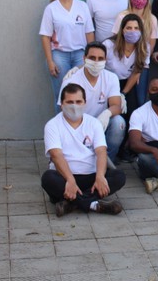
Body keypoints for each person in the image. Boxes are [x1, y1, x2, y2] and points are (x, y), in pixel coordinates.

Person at [41, 83, 125, 217]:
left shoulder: (94, 123)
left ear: (85, 103)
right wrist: (70, 180)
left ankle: (71, 203)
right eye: (69, 102)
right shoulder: (52, 125)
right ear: (61, 104)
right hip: (65, 177)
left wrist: (100, 177)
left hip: (90, 176)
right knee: (48, 178)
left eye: (78, 101)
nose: (74, 106)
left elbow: (101, 152)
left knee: (119, 176)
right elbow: (56, 156)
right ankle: (93, 204)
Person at [58, 42, 125, 162]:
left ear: (105, 60)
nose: (96, 62)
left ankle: (107, 161)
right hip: (78, 124)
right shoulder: (71, 80)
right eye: (92, 58)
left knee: (118, 123)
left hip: (101, 123)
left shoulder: (111, 78)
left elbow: (116, 105)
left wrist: (106, 114)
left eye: (100, 59)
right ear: (84, 58)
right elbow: (64, 112)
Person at [40, 0, 94, 108]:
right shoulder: (51, 9)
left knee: (82, 93)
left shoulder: (82, 6)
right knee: (61, 95)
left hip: (80, 54)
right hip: (59, 55)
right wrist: (50, 61)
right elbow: (45, 36)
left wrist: (91, 56)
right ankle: (62, 128)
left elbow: (89, 32)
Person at [112, 0, 158, 105]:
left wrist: (139, 67)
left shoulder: (152, 19)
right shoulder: (122, 16)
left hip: (142, 63)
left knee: (139, 98)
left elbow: (151, 43)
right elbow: (116, 39)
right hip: (122, 62)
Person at [103, 14, 148, 117]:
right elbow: (99, 64)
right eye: (129, 28)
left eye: (136, 28)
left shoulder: (144, 48)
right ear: (122, 30)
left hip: (128, 83)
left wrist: (123, 94)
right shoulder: (108, 45)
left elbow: (137, 72)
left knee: (132, 113)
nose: (133, 31)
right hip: (109, 83)